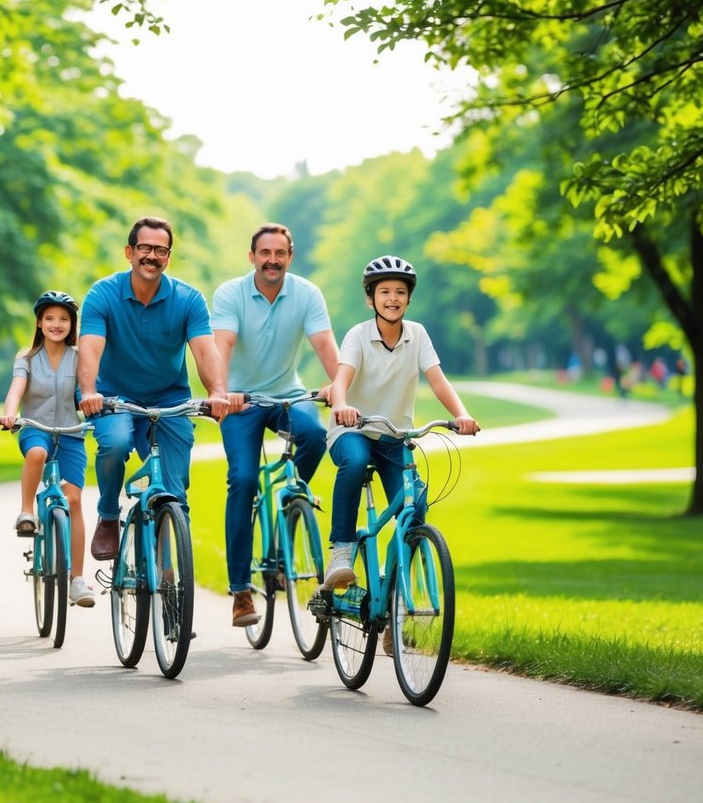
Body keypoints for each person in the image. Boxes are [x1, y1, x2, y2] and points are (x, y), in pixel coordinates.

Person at [77, 215, 230, 560]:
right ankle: (108, 514)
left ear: (168, 257)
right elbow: (89, 347)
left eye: (161, 250)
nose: (152, 256)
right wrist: (88, 391)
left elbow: (205, 349)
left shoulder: (188, 299)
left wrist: (218, 392)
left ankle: (167, 574)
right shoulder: (103, 294)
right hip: (112, 397)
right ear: (129, 252)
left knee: (174, 493)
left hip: (168, 399)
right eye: (145, 248)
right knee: (114, 445)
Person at [325, 255, 480, 592]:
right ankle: (341, 551)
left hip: (394, 436)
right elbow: (341, 379)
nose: (392, 298)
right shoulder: (358, 335)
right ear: (370, 298)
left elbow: (438, 380)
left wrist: (462, 414)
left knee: (416, 507)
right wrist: (341, 405)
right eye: (384, 292)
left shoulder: (418, 334)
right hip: (353, 430)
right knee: (353, 463)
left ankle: (393, 597)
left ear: (409, 298)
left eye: (399, 291)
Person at [211, 223, 340, 627]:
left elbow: (324, 345)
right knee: (245, 481)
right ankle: (241, 591)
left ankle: (290, 505)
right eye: (264, 253)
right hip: (241, 401)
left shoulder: (306, 293)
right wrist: (221, 390)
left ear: (290, 256)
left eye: (279, 253)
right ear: (252, 257)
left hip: (288, 394)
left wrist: (340, 388)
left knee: (316, 434)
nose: (272, 260)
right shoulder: (231, 293)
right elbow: (223, 345)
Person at [0, 290, 95, 608]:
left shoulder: (80, 357)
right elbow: (16, 389)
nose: (56, 324)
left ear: (72, 324)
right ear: (39, 322)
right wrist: (10, 413)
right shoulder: (25, 358)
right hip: (34, 430)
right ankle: (27, 511)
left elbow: (84, 394)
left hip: (70, 434)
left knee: (75, 500)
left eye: (63, 319)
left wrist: (93, 406)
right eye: (50, 318)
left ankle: (77, 579)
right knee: (37, 455)